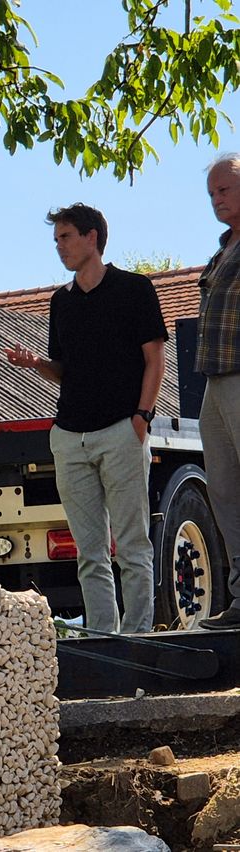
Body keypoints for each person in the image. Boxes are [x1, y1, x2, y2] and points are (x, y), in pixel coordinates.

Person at [5, 203, 167, 633]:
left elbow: (155, 360)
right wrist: (36, 362)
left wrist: (141, 417)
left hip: (121, 431)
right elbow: (63, 368)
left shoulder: (134, 289)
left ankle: (138, 638)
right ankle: (103, 638)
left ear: (92, 237)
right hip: (70, 436)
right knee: (89, 551)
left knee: (132, 545)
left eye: (66, 237)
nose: (59, 247)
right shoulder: (61, 301)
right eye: (56, 239)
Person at [193, 156, 240, 631]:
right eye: (212, 194)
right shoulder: (221, 250)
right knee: (225, 493)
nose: (217, 200)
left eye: (224, 190)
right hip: (215, 380)